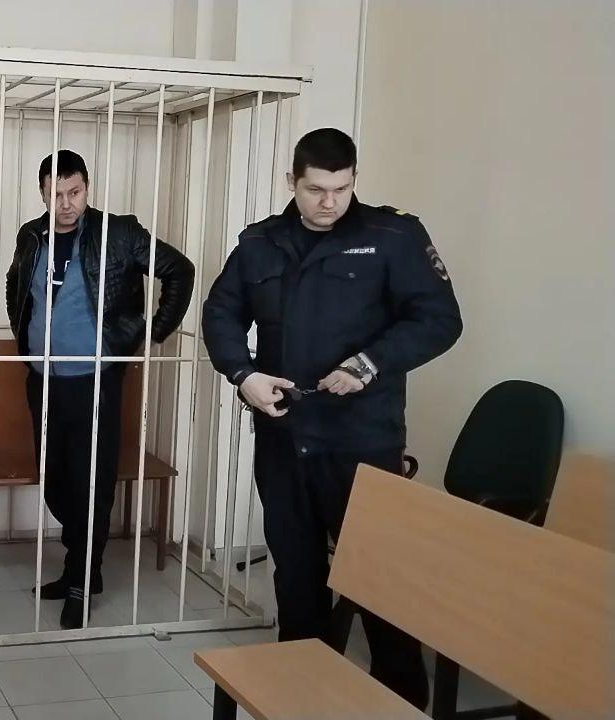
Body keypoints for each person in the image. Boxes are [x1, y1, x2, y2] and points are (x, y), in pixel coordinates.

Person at [201, 127, 462, 708]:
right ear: (291, 182)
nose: (329, 202)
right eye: (316, 189)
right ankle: (303, 699)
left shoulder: (392, 236)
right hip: (285, 436)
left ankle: (402, 703)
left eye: (341, 189)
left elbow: (440, 320)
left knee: (379, 582)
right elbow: (220, 313)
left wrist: (371, 363)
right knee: (296, 578)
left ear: (354, 181)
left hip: (361, 441)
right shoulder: (261, 243)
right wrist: (244, 375)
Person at [5, 150, 194, 629]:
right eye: (56, 194)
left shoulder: (119, 233)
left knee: (91, 480)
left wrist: (153, 331)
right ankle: (80, 568)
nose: (66, 203)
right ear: (42, 194)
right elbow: (15, 286)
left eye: (75, 192)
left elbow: (179, 270)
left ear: (87, 188)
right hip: (43, 379)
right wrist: (26, 338)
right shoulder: (32, 235)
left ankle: (81, 581)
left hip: (95, 380)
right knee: (55, 479)